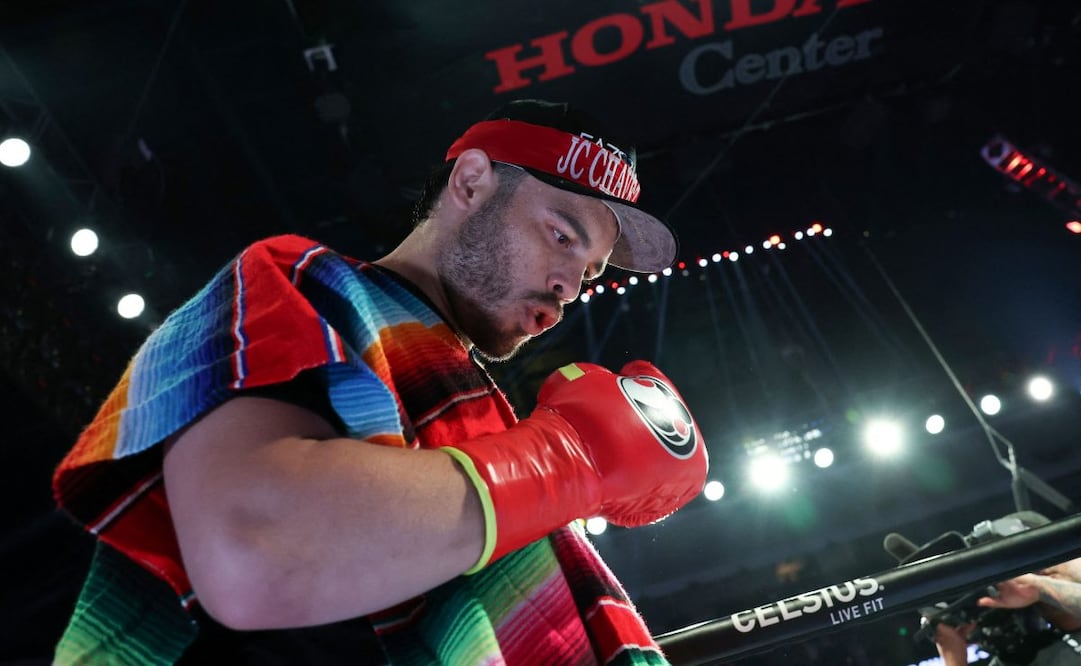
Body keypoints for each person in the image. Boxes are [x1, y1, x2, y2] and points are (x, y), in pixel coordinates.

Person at [51, 99, 709, 665]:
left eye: (590, 272)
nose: (571, 286)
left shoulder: (480, 408)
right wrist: (571, 459)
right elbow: (254, 553)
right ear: (473, 182)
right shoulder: (301, 285)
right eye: (561, 236)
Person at [933, 558, 1081, 666]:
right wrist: (954, 660)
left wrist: (1041, 588)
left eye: (1052, 555)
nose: (1041, 570)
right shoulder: (1036, 656)